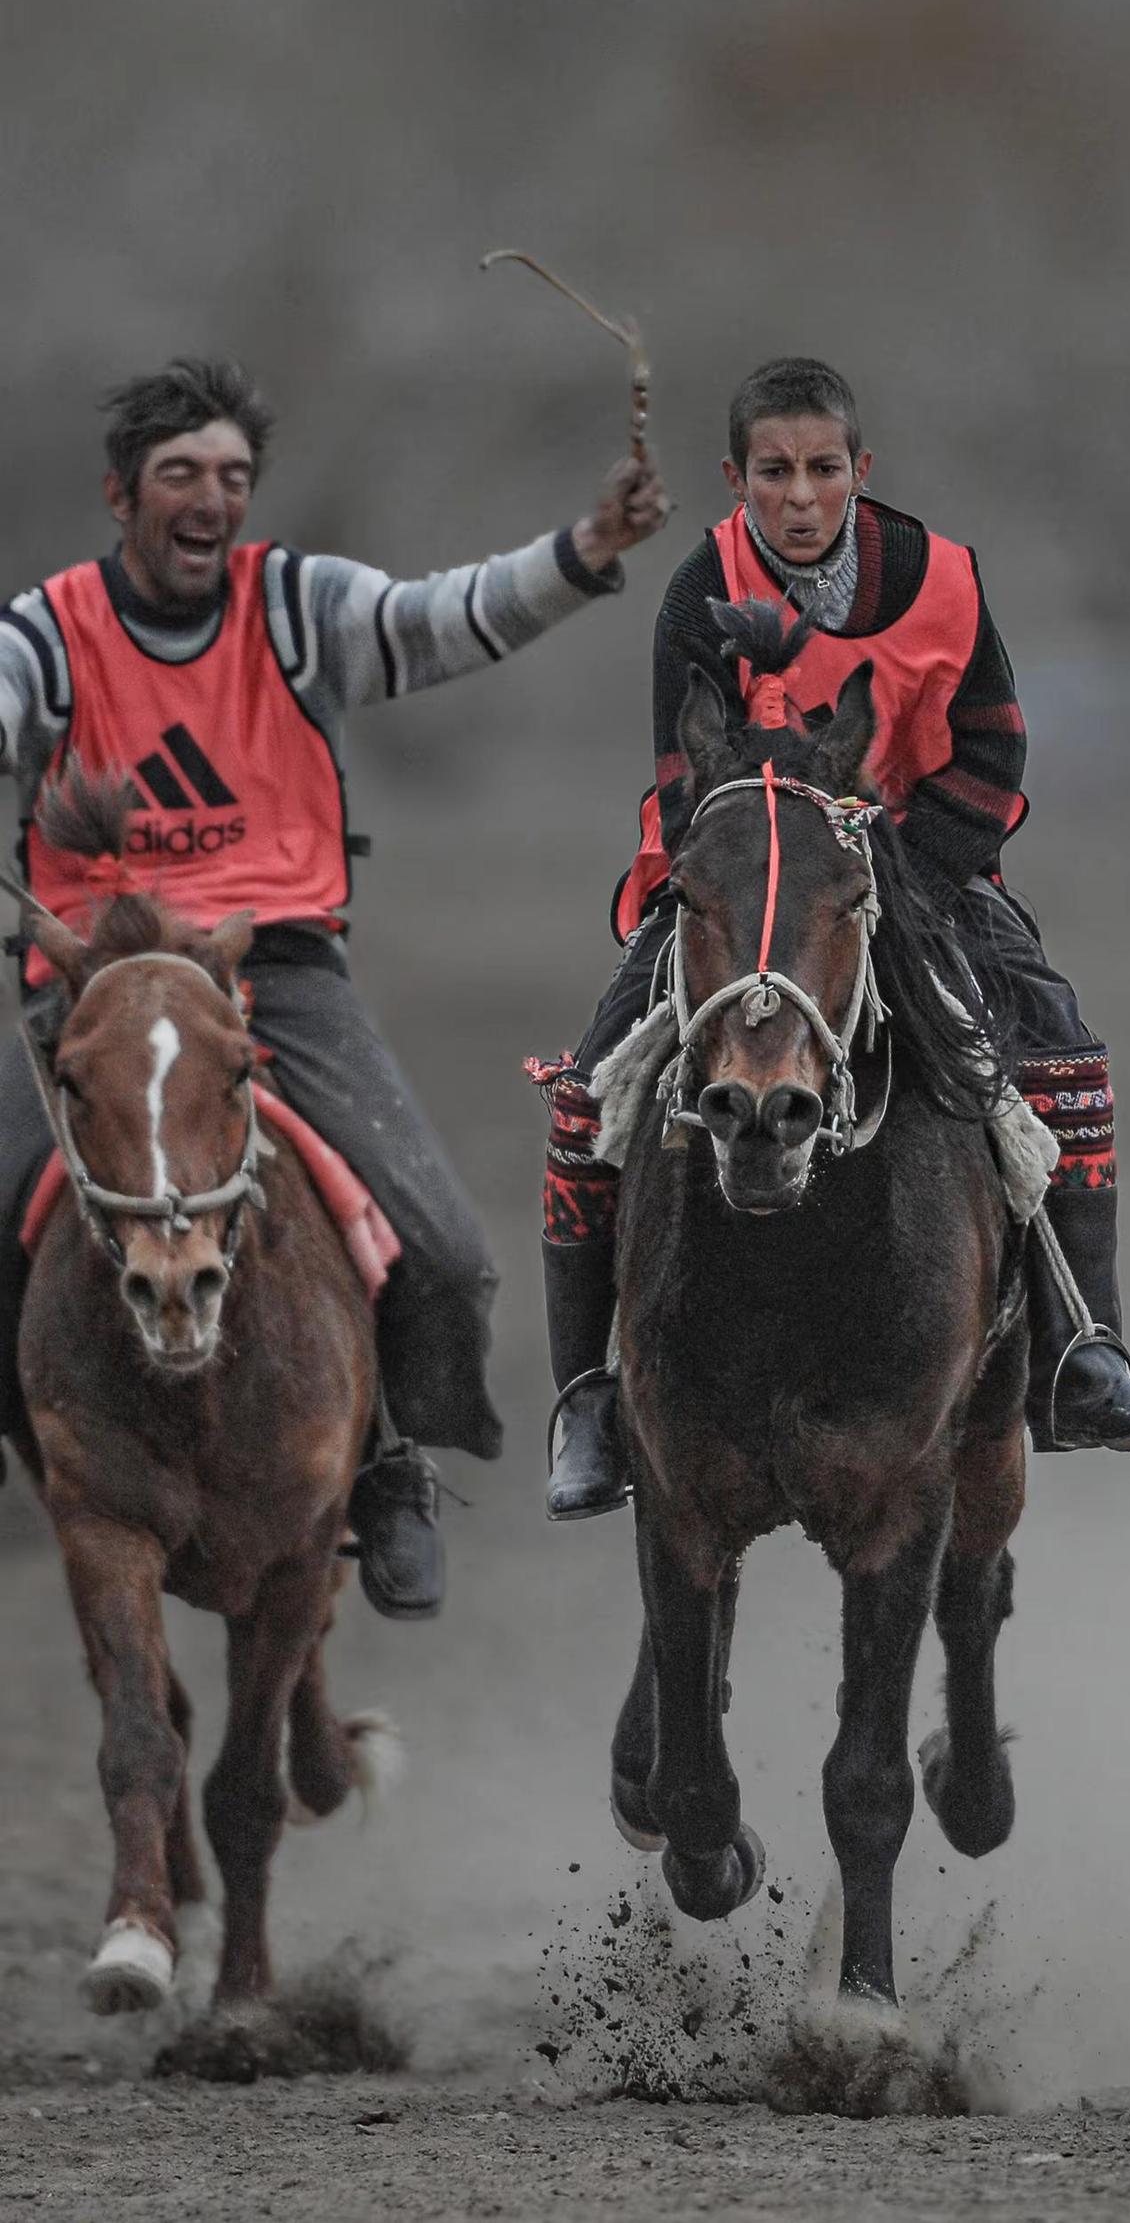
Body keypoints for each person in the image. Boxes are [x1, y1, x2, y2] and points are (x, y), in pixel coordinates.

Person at [0, 355, 670, 1611]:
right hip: (92, 988)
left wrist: (584, 547)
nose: (211, 498)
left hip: (276, 974)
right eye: (181, 475)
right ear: (121, 497)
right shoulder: (49, 631)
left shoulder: (297, 606)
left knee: (448, 1252)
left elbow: (442, 618)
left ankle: (388, 1468)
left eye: (232, 477)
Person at [539, 355, 1130, 1518]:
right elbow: (680, 775)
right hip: (748, 881)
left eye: (820, 470)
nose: (797, 498)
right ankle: (587, 1399)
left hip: (924, 870)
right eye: (772, 474)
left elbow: (992, 755)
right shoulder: (699, 590)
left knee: (1062, 1052)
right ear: (735, 477)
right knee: (591, 1084)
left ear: (859, 469)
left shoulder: (943, 578)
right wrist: (744, 877)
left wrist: (898, 873)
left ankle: (1082, 1352)